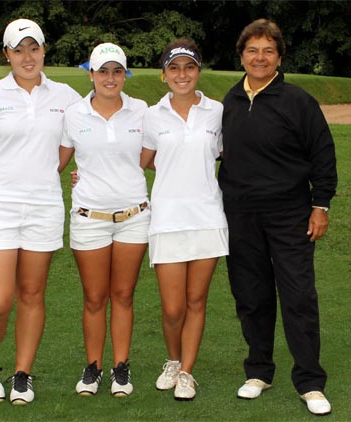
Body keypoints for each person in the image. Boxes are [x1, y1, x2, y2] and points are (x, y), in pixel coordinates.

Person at [218, 19, 338, 416]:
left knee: (298, 296)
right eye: (252, 50)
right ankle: (258, 371)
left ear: (279, 57)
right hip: (240, 215)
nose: (260, 57)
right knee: (251, 295)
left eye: (268, 50)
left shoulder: (298, 101)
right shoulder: (230, 101)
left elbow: (323, 155)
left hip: (290, 214)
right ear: (242, 56)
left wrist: (321, 206)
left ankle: (310, 380)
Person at [0, 18, 80, 405]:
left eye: (34, 48)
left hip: (43, 207)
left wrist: (58, 173)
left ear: (44, 51)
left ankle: (23, 373)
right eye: (19, 49)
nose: (27, 57)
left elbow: (73, 144)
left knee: (32, 293)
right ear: (6, 54)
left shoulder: (66, 96)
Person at [58, 43, 149, 398]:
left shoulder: (142, 111)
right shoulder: (73, 113)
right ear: (91, 74)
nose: (110, 79)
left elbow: (158, 153)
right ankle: (93, 366)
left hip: (133, 216)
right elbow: (59, 160)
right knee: (95, 298)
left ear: (124, 74)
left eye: (116, 71)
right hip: (89, 217)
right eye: (102, 71)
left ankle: (121, 367)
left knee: (123, 294)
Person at [140, 39, 228, 401]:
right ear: (164, 75)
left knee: (196, 300)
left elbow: (230, 155)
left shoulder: (217, 112)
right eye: (174, 68)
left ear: (198, 72)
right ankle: (173, 360)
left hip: (208, 217)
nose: (182, 75)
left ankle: (187, 372)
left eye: (189, 68)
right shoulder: (151, 115)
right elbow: (141, 161)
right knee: (173, 307)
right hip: (167, 218)